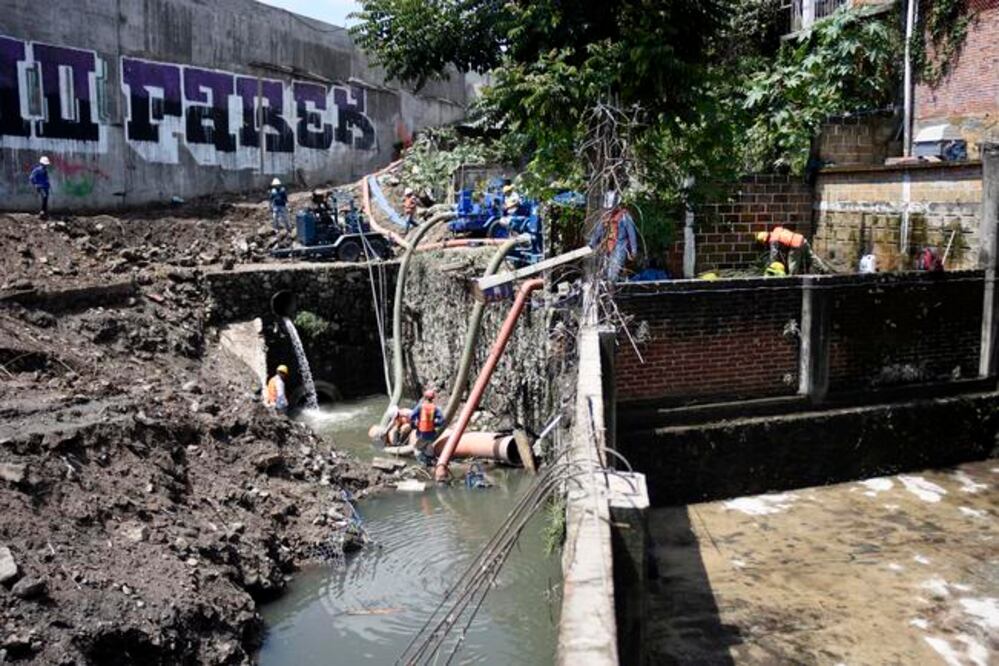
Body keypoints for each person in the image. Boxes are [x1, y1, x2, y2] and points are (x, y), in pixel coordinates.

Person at [588, 190, 639, 281]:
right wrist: (592, 243)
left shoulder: (624, 216)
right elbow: (598, 231)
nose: (609, 210)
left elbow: (632, 234)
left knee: (612, 273)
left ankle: (613, 288)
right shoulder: (606, 216)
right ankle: (620, 282)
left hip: (620, 247)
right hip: (608, 246)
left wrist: (633, 250)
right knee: (604, 271)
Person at [755, 226, 830, 275]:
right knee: (812, 257)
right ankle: (825, 270)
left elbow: (774, 255)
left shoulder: (773, 240)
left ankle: (792, 283)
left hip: (795, 246)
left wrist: (770, 267)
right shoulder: (777, 229)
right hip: (802, 239)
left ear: (765, 240)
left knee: (793, 267)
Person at [410, 389, 443, 465]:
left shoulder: (420, 407)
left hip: (422, 433)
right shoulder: (435, 408)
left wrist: (414, 424)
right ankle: (432, 462)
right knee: (429, 447)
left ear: (424, 397)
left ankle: (423, 464)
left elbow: (411, 416)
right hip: (431, 433)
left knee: (417, 448)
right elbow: (442, 420)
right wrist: (434, 424)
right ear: (433, 398)